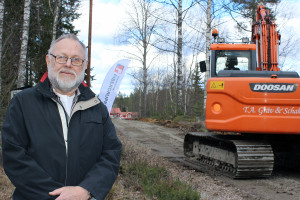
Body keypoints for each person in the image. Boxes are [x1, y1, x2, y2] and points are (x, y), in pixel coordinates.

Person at [1, 34, 122, 200]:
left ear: (84, 65)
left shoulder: (97, 108)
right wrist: (59, 196)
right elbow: (14, 156)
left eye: (76, 59)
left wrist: (86, 190)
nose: (68, 64)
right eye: (61, 57)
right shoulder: (23, 103)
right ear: (48, 60)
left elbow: (111, 154)